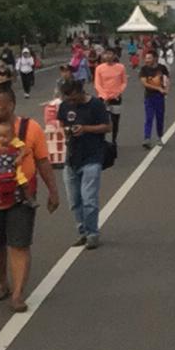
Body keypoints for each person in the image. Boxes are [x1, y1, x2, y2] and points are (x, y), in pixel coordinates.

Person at [0, 88, 60, 313]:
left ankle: (17, 294)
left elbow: (43, 162)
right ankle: (2, 283)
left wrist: (53, 192)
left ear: (11, 105)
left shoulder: (30, 128)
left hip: (21, 195)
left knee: (19, 244)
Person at [57, 80, 111, 249]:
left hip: (92, 156)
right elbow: (62, 122)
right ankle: (82, 231)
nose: (71, 102)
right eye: (68, 98)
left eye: (73, 98)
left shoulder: (95, 104)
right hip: (72, 157)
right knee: (74, 200)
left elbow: (107, 127)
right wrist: (66, 131)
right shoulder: (65, 106)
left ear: (80, 92)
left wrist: (86, 129)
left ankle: (92, 233)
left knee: (89, 199)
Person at [93, 48, 127, 145]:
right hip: (103, 98)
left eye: (110, 54)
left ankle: (114, 139)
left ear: (114, 55)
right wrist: (104, 96)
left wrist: (117, 92)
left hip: (116, 97)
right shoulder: (99, 68)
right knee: (102, 120)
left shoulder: (120, 67)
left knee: (115, 119)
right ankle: (101, 139)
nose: (108, 56)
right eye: (106, 54)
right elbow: (97, 84)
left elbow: (124, 82)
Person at [138, 51, 170, 149]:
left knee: (159, 118)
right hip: (149, 96)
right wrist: (158, 88)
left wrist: (166, 90)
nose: (147, 60)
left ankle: (159, 137)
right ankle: (147, 138)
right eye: (146, 58)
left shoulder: (162, 68)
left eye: (149, 58)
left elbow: (167, 80)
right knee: (149, 117)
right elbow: (144, 83)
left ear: (155, 58)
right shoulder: (144, 69)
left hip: (160, 97)